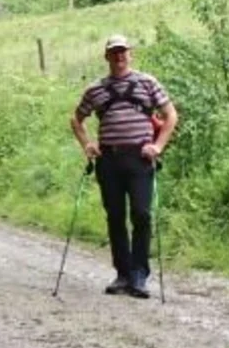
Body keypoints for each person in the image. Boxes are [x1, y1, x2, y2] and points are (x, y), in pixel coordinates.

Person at [70, 34, 178, 299]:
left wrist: (159, 146)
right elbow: (77, 119)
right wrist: (87, 145)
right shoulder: (95, 89)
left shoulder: (147, 82)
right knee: (115, 216)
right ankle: (123, 274)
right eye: (113, 52)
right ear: (106, 56)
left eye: (123, 52)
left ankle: (139, 275)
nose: (119, 56)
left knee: (141, 214)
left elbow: (170, 115)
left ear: (130, 54)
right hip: (109, 160)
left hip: (140, 159)